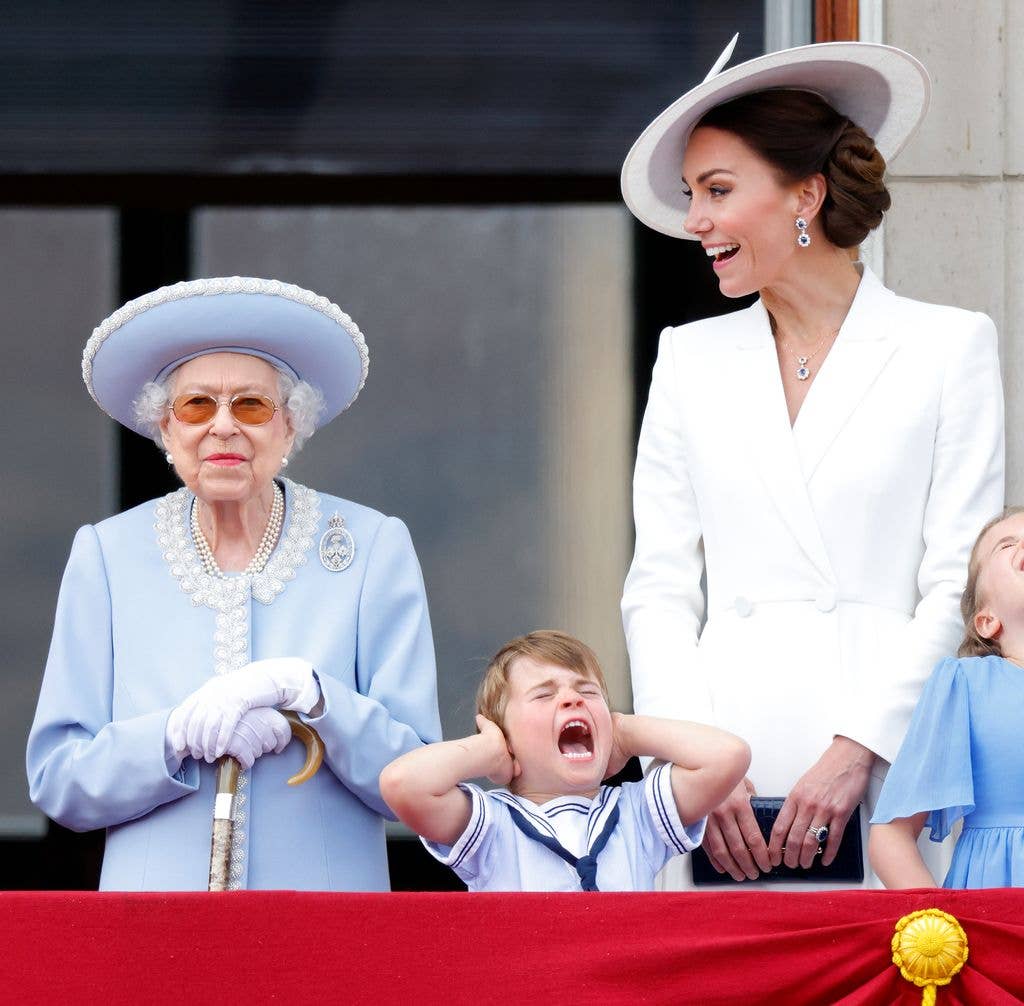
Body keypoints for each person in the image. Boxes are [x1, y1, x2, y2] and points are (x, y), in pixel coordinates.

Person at [618, 38, 1005, 887]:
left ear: (807, 193)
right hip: (724, 767)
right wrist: (690, 765)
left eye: (718, 191)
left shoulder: (947, 345)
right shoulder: (688, 358)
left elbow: (956, 583)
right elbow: (660, 587)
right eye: (692, 196)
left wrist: (863, 747)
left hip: (891, 762)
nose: (696, 222)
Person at [26, 276, 441, 890]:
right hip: (153, 929)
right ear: (165, 430)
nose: (223, 427)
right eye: (196, 406)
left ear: (290, 429)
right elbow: (59, 781)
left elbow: (420, 778)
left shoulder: (372, 547)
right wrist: (169, 737)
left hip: (327, 928)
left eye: (251, 405)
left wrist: (315, 697)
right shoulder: (107, 555)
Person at [379, 630, 749, 891]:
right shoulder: (493, 825)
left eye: (588, 692)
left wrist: (624, 731)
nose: (573, 700)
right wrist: (488, 751)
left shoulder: (637, 815)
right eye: (544, 696)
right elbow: (402, 784)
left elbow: (728, 756)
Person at [870, 508, 1024, 888]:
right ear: (986, 620)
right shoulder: (966, 685)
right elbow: (891, 837)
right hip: (995, 920)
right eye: (1008, 544)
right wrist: (939, 935)